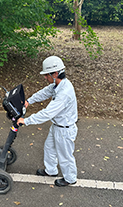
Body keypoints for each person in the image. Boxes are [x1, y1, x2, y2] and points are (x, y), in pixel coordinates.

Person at [17, 56, 78, 187]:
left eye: (47, 75)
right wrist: (29, 101)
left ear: (55, 73)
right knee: (49, 148)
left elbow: (47, 113)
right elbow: (45, 92)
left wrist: (26, 121)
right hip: (57, 125)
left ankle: (70, 178)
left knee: (65, 155)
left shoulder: (64, 92)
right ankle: (51, 171)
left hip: (65, 129)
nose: (45, 78)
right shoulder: (58, 85)